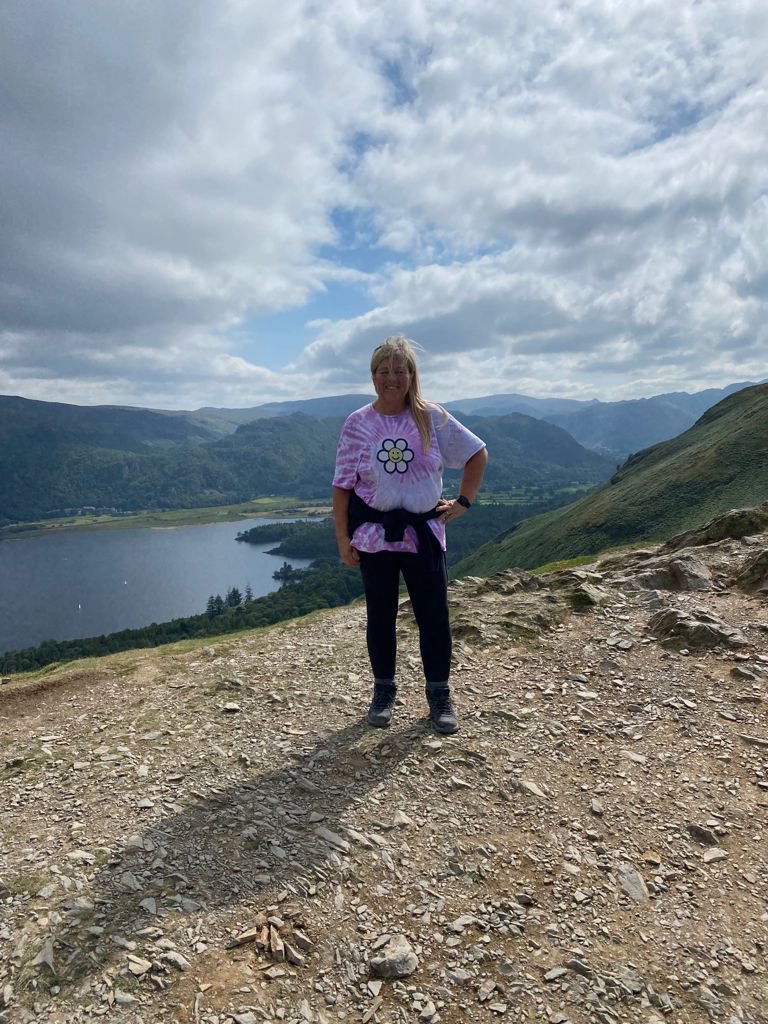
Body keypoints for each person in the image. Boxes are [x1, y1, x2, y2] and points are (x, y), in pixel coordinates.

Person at [332, 335, 488, 734]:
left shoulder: (431, 417)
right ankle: (383, 692)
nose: (391, 378)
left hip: (424, 534)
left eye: (399, 370)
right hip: (374, 535)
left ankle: (439, 695)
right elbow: (342, 487)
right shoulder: (358, 423)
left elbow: (476, 454)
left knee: (434, 617)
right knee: (379, 618)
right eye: (383, 371)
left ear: (411, 375)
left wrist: (463, 502)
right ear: (373, 376)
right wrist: (342, 538)